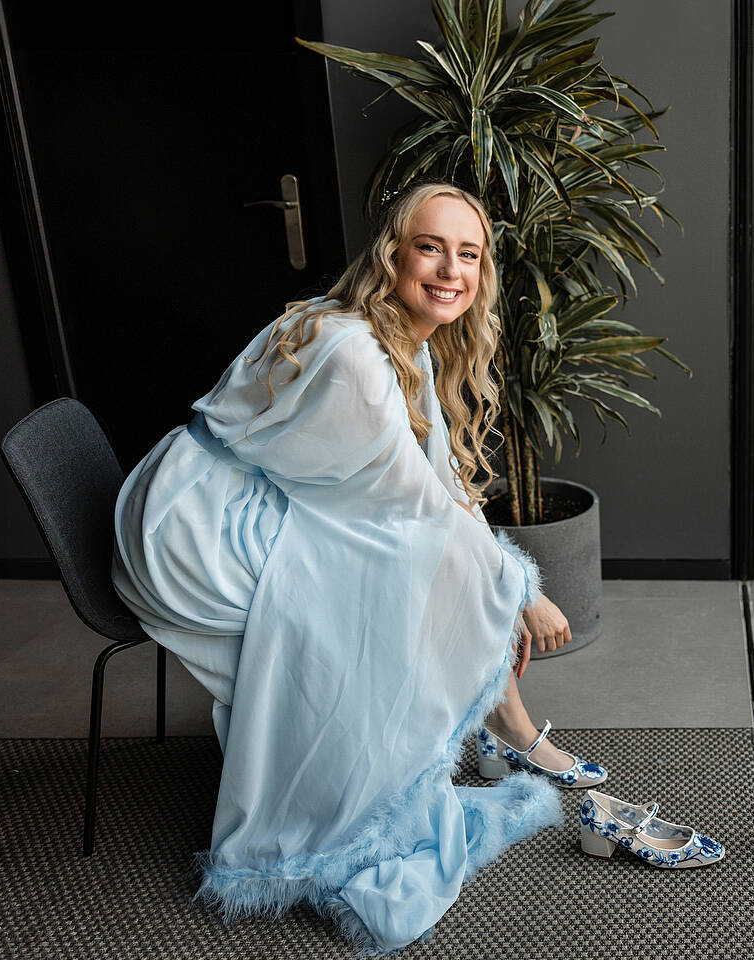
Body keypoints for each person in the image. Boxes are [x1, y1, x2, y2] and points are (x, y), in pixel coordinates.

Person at [111, 182, 607, 954]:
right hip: (192, 526)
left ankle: (503, 721)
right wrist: (522, 592)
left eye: (468, 254)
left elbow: (440, 483)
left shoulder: (408, 343)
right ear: (393, 255)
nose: (450, 270)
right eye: (430, 247)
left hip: (248, 491)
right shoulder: (352, 353)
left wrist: (503, 576)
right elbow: (413, 504)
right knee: (373, 586)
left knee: (415, 561)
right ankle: (481, 736)